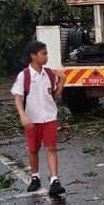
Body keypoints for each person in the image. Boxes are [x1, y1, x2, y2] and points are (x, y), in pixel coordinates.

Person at [11, 41, 65, 196]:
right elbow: (18, 97)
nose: (46, 57)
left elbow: (54, 96)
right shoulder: (24, 76)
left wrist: (62, 83)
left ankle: (54, 180)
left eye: (46, 53)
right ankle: (35, 177)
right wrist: (23, 115)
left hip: (49, 117)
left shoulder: (49, 74)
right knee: (33, 149)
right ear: (33, 56)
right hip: (32, 119)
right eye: (43, 54)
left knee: (51, 147)